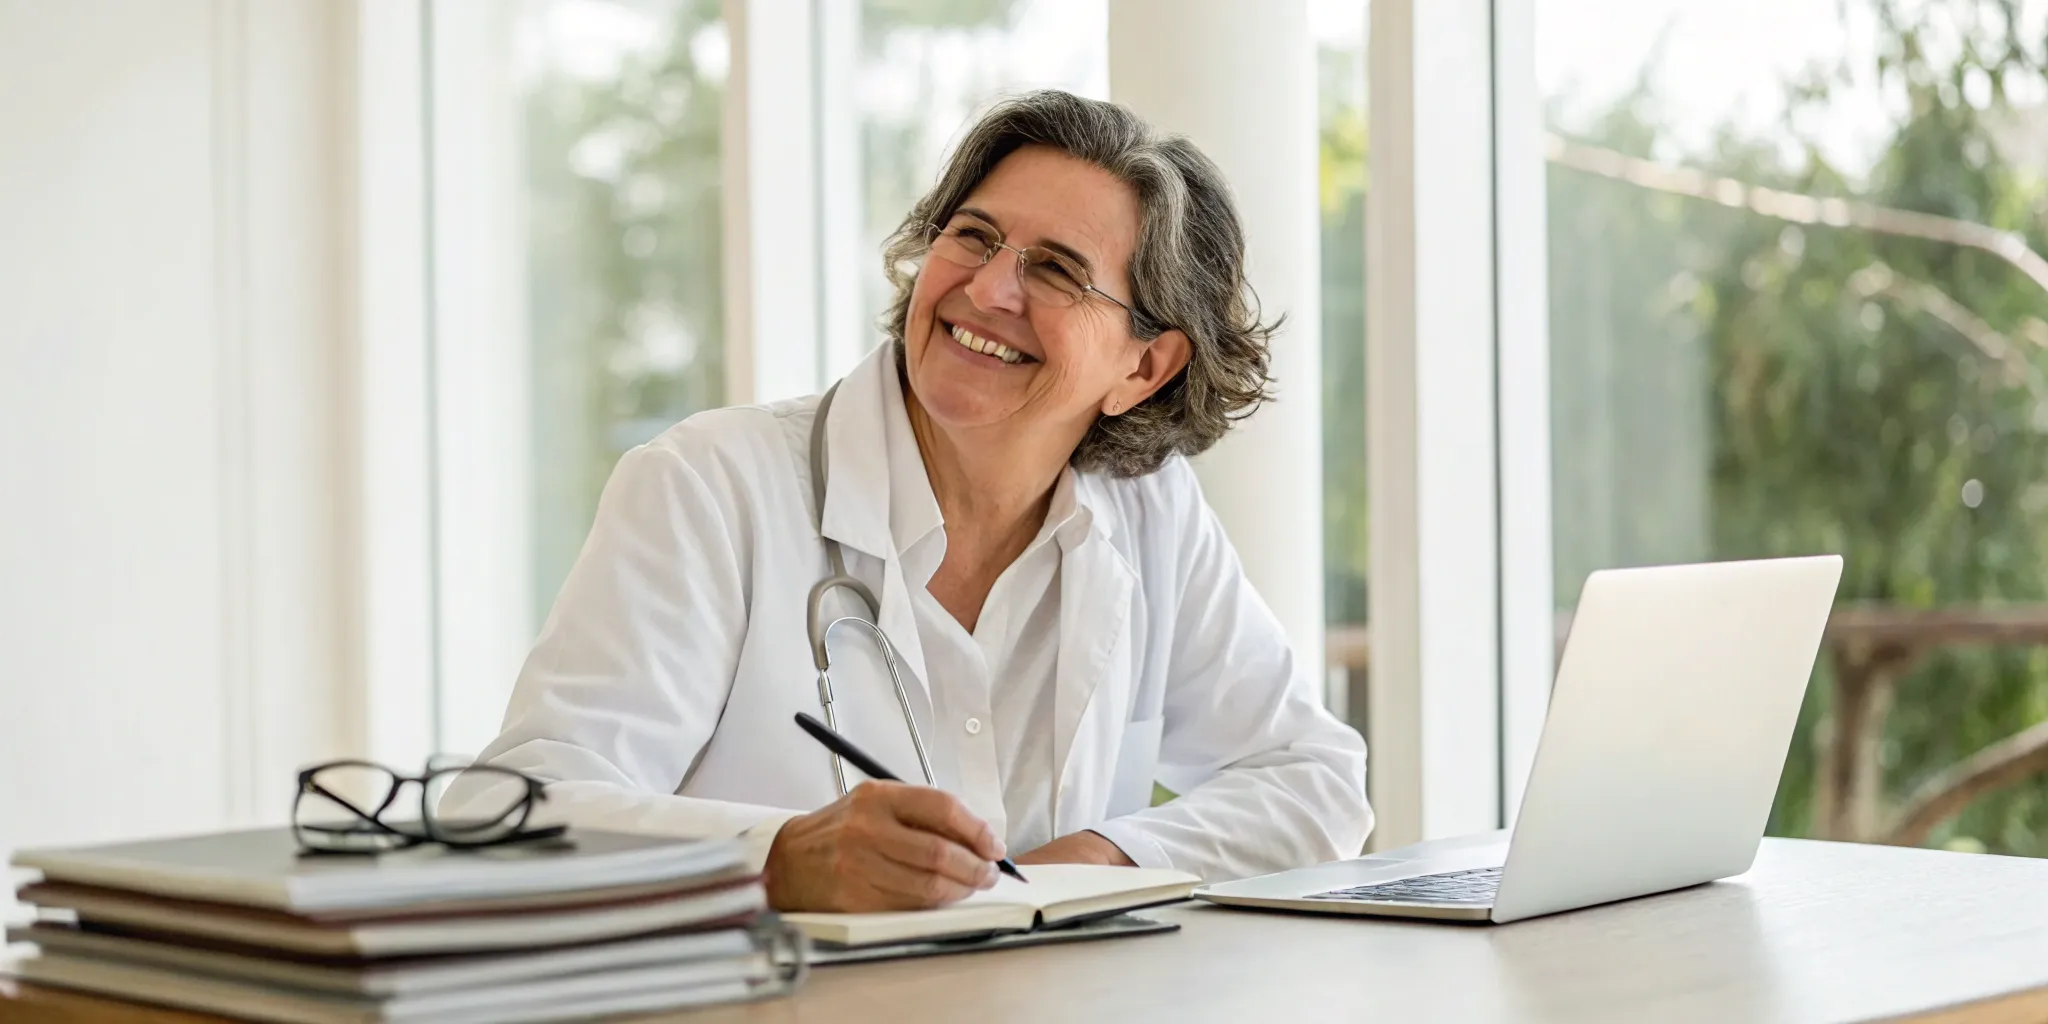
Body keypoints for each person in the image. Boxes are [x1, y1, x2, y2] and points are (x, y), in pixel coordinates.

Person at [459, 90, 1372, 912]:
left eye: (1057, 270)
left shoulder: (1147, 511)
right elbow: (511, 814)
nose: (988, 288)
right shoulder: (711, 485)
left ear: (1144, 367)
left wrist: (1105, 858)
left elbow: (1315, 781)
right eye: (973, 236)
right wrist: (774, 860)